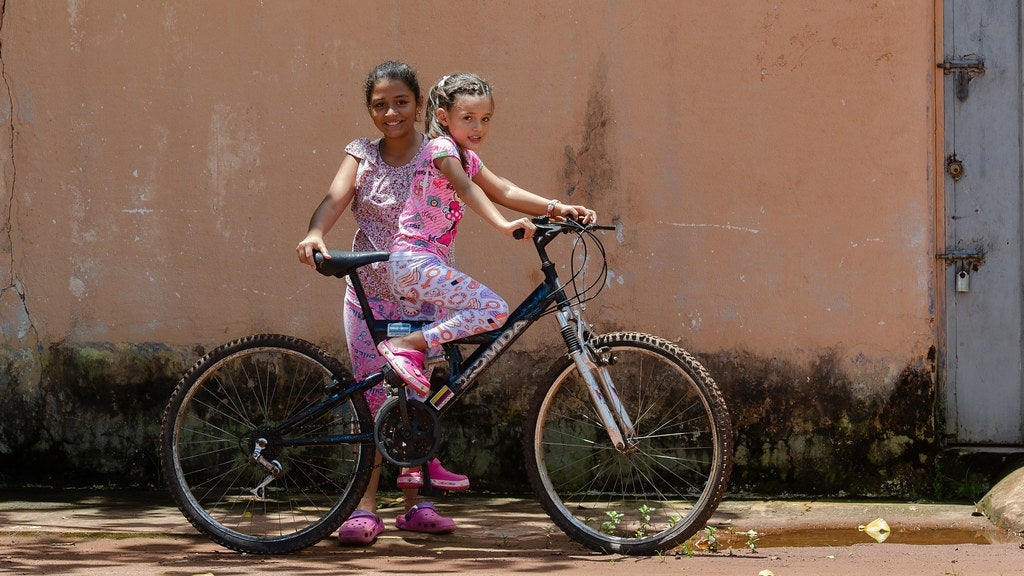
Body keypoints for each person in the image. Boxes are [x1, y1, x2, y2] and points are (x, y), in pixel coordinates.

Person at [376, 72, 597, 403]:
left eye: (485, 119)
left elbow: (504, 189)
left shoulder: (467, 155)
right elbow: (466, 188)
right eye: (468, 118)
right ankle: (406, 345)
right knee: (492, 309)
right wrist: (503, 225)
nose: (478, 128)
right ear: (443, 117)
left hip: (425, 264)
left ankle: (416, 378)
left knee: (437, 368)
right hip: (413, 261)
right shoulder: (441, 148)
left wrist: (559, 208)